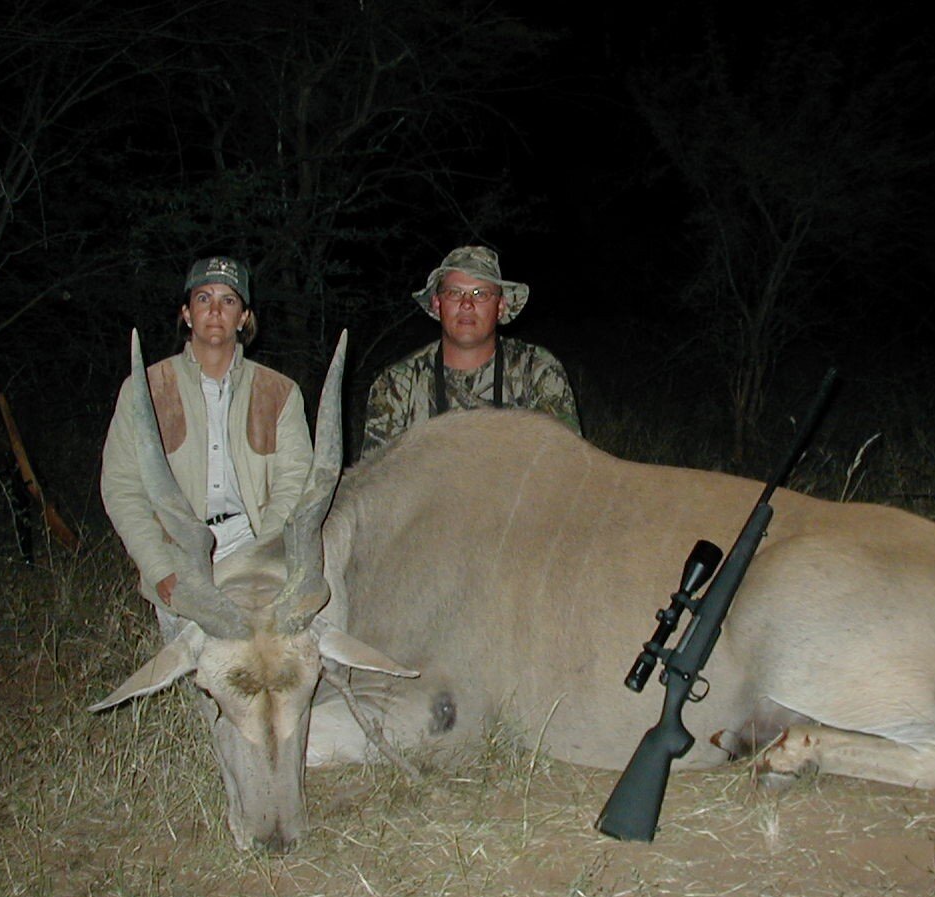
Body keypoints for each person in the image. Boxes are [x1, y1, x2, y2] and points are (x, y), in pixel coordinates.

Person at [101, 256, 313, 618]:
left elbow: (295, 481)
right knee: (193, 666)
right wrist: (158, 566)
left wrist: (268, 556)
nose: (215, 310)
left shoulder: (279, 392)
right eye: (203, 299)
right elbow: (122, 487)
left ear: (243, 317)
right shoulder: (145, 390)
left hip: (254, 547)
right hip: (179, 553)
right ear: (187, 313)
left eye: (228, 300)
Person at [360, 245, 579, 458]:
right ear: (437, 304)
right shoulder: (396, 384)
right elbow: (378, 482)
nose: (467, 304)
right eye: (454, 293)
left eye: (480, 294)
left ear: (500, 306)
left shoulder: (538, 371)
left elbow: (565, 466)